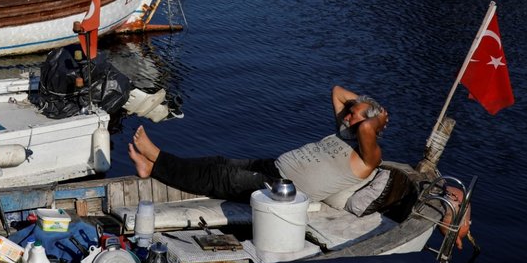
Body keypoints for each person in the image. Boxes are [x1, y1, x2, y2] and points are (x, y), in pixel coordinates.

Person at [127, 85, 389, 203]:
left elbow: (366, 126)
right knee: (218, 162)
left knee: (219, 177)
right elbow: (337, 91)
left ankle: (156, 157)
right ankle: (151, 168)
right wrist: (366, 107)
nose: (349, 113)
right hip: (273, 167)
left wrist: (378, 118)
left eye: (355, 113)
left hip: (280, 189)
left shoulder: (369, 157)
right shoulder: (345, 132)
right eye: (352, 110)